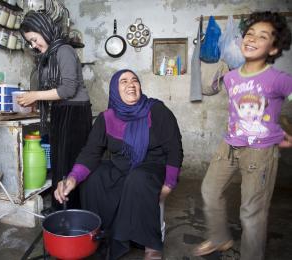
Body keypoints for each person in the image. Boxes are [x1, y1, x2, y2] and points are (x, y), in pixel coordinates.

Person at [193, 11, 292, 260]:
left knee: (251, 211)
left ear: (273, 48)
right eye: (249, 34)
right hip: (229, 145)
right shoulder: (231, 77)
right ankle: (219, 238)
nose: (252, 39)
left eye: (262, 36)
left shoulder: (279, 79)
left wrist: (284, 132)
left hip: (260, 153)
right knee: (209, 190)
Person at [54, 69, 183, 260]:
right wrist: (72, 178)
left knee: (138, 179)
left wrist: (169, 184)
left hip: (153, 166)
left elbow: (174, 148)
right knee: (93, 179)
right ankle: (103, 236)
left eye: (135, 80)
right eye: (123, 81)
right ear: (115, 89)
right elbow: (91, 153)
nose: (131, 84)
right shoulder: (106, 118)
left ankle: (151, 244)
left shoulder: (156, 110)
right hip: (121, 166)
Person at [18, 11, 92, 209]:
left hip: (75, 112)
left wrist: (36, 95)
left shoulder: (64, 50)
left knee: (71, 162)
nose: (33, 45)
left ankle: (75, 209)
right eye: (30, 42)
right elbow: (53, 90)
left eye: (34, 39)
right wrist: (36, 99)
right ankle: (61, 207)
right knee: (60, 160)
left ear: (44, 30)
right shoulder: (48, 56)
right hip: (61, 110)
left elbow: (68, 89)